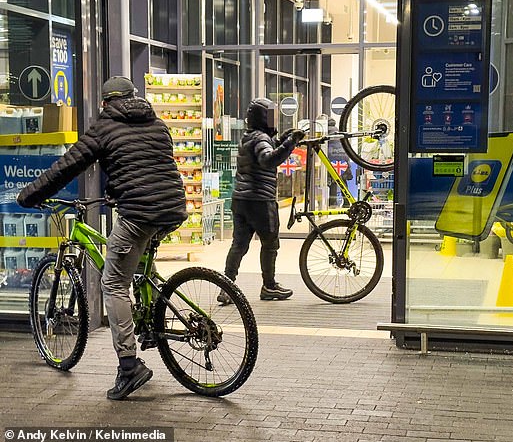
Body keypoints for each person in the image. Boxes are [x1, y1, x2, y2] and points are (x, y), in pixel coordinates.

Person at [16, 76, 187, 400]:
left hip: (139, 212)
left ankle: (129, 366)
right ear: (135, 97)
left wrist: (28, 195)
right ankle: (150, 324)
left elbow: (66, 167)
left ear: (105, 103)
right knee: (138, 269)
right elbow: (148, 165)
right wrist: (115, 191)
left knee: (113, 283)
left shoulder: (105, 126)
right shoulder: (158, 123)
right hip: (173, 208)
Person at [218, 98, 305, 305]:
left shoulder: (249, 137)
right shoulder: (260, 139)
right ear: (263, 118)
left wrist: (283, 139)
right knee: (270, 243)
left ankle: (226, 288)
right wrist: (291, 143)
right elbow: (268, 159)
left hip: (241, 199)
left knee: (239, 245)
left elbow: (266, 149)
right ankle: (269, 285)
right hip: (260, 200)